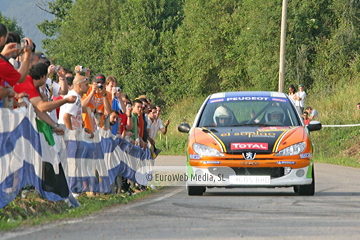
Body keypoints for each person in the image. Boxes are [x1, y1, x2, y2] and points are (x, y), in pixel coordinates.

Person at [13, 62, 76, 134]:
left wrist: (54, 126)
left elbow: (39, 111)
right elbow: (42, 107)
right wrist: (66, 100)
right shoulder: (28, 85)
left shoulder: (33, 85)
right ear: (43, 77)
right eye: (46, 77)